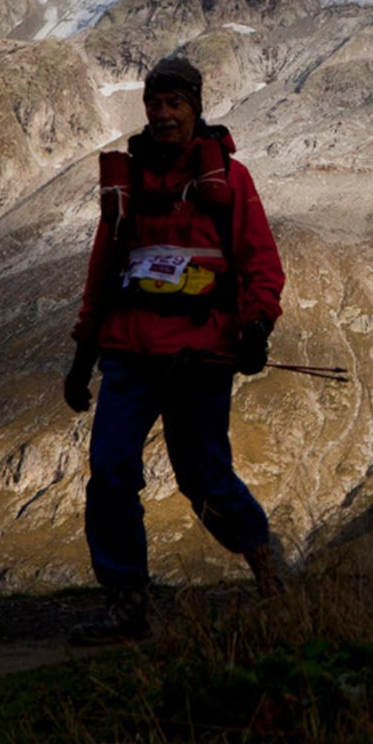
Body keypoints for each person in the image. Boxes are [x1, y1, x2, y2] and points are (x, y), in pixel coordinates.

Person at [62, 56, 284, 645]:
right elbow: (102, 272)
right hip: (129, 355)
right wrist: (83, 357)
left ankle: (270, 571)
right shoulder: (126, 185)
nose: (162, 114)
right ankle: (127, 603)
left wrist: (257, 326)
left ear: (195, 109)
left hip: (200, 357)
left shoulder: (229, 180)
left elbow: (260, 261)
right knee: (111, 470)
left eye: (174, 104)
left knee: (204, 479)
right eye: (154, 103)